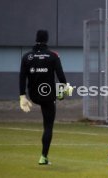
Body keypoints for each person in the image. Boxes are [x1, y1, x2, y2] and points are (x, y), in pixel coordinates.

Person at [19, 30, 73, 165]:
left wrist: (22, 96)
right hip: (48, 95)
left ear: (36, 38)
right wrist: (65, 88)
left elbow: (22, 77)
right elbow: (61, 76)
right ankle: (43, 157)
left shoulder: (27, 56)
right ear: (47, 39)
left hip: (33, 95)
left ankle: (57, 94)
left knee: (48, 100)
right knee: (48, 126)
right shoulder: (53, 56)